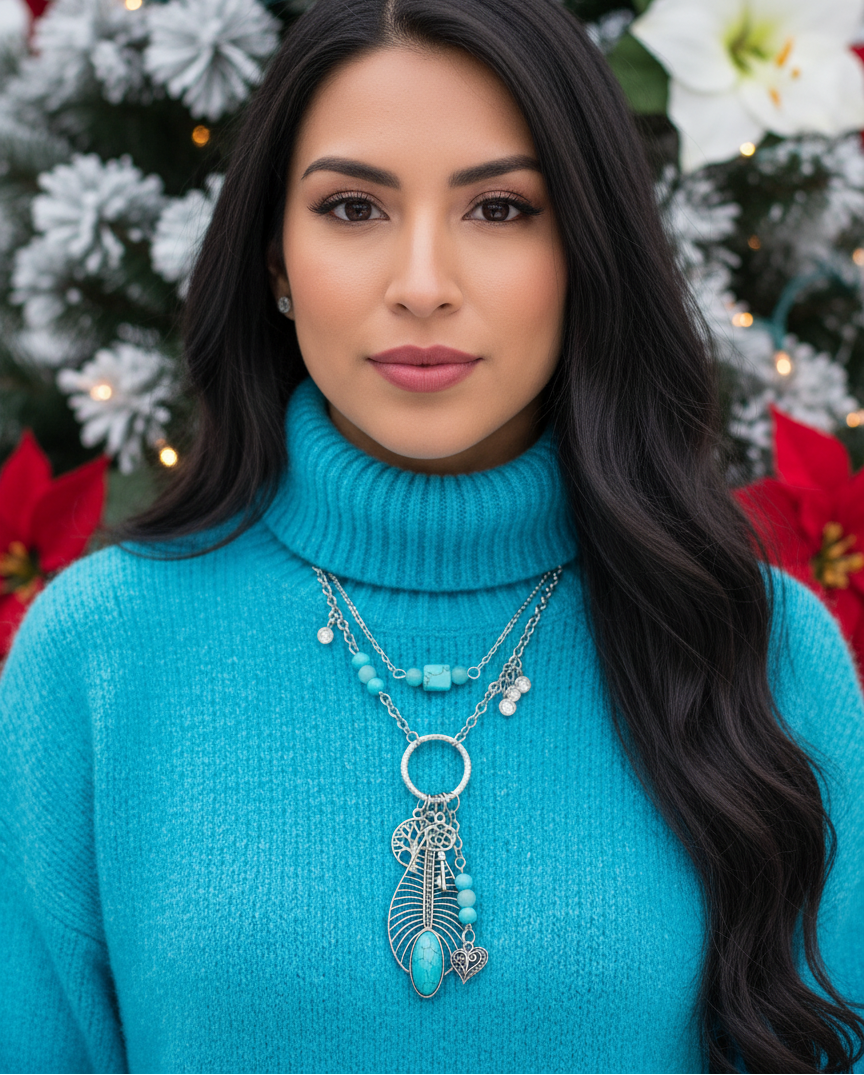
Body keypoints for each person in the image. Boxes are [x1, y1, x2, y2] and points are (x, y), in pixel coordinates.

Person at [2, 1, 863, 1072]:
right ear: (274, 256)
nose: (421, 285)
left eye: (499, 208)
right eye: (353, 207)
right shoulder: (97, 653)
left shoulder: (765, 652)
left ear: (585, 250)